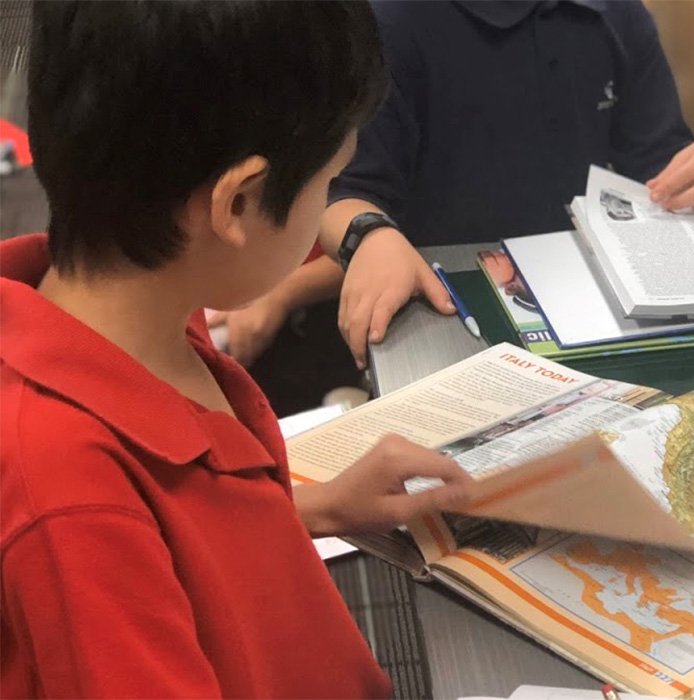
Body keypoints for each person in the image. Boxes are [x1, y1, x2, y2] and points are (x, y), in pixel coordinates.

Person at [0, 2, 472, 697]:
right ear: (240, 203)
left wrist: (313, 510)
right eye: (328, 183)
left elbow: (183, 545)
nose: (326, 204)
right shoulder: (72, 503)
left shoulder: (149, 319)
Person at [306, 0, 694, 368]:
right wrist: (369, 235)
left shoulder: (617, 12)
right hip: (451, 317)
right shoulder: (392, 21)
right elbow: (341, 196)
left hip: (602, 307)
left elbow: (659, 166)